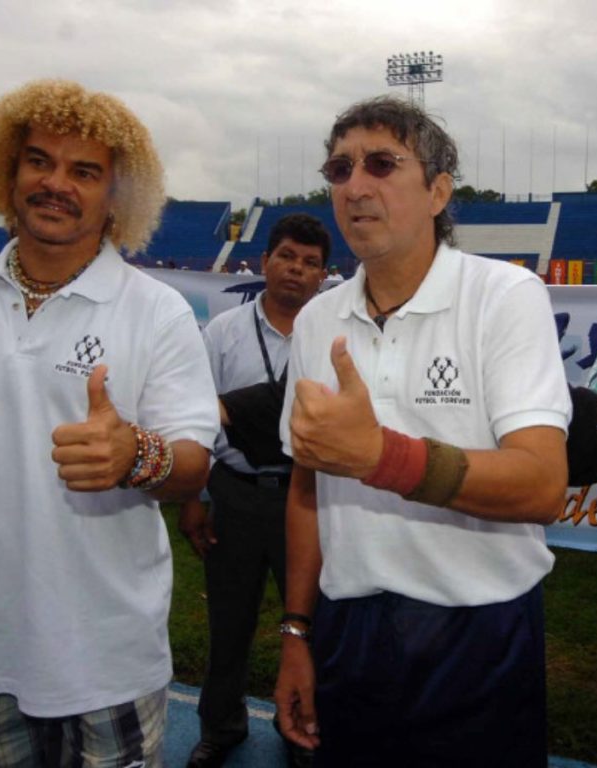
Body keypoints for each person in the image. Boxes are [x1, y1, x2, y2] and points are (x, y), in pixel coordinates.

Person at [0, 79, 219, 766]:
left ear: (116, 195)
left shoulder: (158, 312)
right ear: (9, 171)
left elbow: (194, 464)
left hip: (111, 658)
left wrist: (136, 455)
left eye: (84, 171)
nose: (56, 183)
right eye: (39, 161)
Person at [273, 96, 571, 767]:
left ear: (438, 191)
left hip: (478, 630)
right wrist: (296, 631)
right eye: (340, 169)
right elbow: (306, 490)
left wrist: (382, 456)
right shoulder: (319, 319)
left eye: (381, 164)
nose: (355, 186)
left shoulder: (503, 296)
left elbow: (542, 485)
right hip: (350, 630)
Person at [182, 213, 330, 768]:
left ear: (323, 275)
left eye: (310, 263)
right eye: (287, 256)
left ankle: (304, 729)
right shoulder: (222, 333)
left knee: (311, 625)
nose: (296, 270)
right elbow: (197, 421)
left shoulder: (332, 335)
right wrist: (193, 498)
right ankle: (221, 726)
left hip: (308, 498)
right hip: (237, 493)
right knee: (229, 621)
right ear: (265, 261)